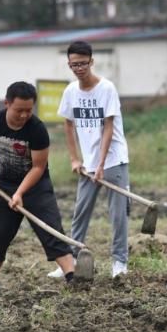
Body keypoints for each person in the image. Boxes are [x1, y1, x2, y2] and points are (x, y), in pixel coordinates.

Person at [0, 81, 76, 296]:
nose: (24, 115)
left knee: (50, 228)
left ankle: (73, 278)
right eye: (19, 110)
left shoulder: (37, 129)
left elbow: (38, 167)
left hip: (36, 185)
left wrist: (20, 193)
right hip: (4, 185)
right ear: (6, 103)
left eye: (29, 110)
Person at [48, 40, 130, 279]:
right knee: (80, 211)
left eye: (83, 63)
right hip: (88, 164)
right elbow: (68, 123)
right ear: (69, 65)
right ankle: (71, 260)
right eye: (74, 65)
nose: (79, 68)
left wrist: (102, 164)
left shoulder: (107, 89)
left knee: (117, 214)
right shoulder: (71, 91)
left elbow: (108, 127)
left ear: (91, 62)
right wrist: (75, 159)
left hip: (113, 160)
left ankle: (119, 263)